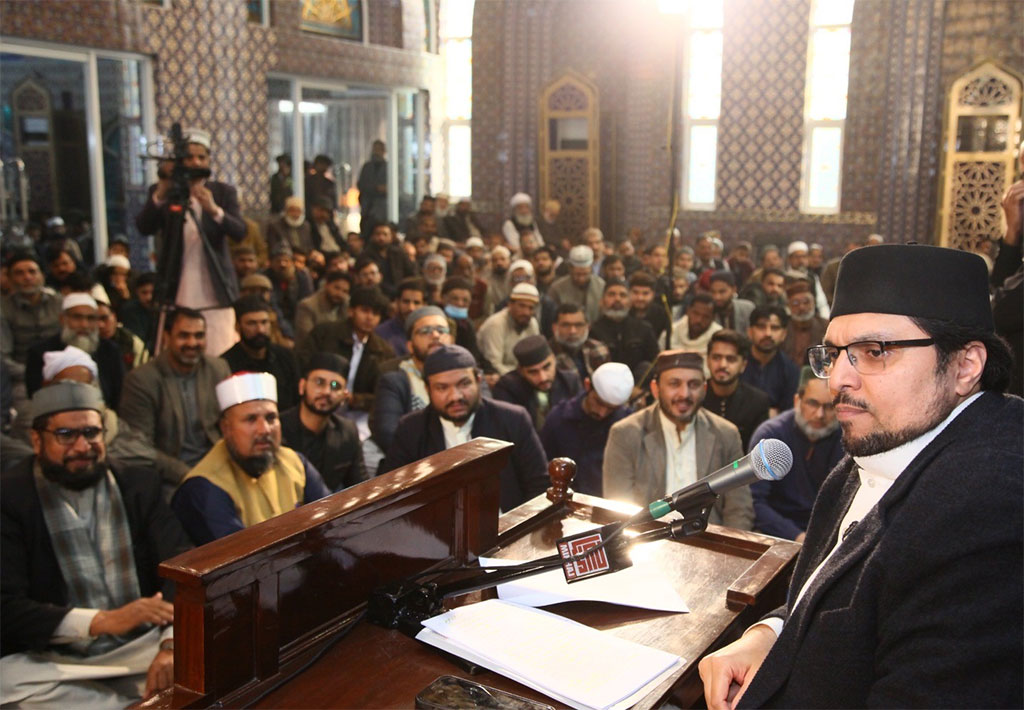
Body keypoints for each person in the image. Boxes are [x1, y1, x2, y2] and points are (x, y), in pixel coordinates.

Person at [699, 243, 1022, 709]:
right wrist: (770, 634)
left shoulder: (989, 512)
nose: (837, 380)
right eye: (834, 353)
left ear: (965, 366)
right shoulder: (881, 448)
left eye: (874, 351)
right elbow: (832, 597)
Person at [0, 382, 192, 707]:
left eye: (92, 432)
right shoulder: (11, 498)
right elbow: (7, 607)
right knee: (7, 679)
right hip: (58, 661)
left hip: (143, 644)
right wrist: (103, 621)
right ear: (36, 440)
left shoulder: (138, 484)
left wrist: (171, 646)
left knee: (217, 651)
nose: (82, 446)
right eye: (65, 435)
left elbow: (184, 564)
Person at [380, 345, 548, 511]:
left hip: (508, 528)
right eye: (442, 388)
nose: (455, 396)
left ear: (478, 380)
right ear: (427, 389)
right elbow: (392, 496)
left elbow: (539, 485)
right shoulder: (411, 429)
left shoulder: (513, 419)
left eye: (464, 384)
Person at [172, 372, 331, 545]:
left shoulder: (295, 462)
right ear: (226, 428)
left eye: (271, 418)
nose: (264, 430)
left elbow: (332, 521)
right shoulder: (205, 486)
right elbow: (240, 561)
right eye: (251, 419)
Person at [603, 350, 753, 529]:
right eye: (674, 384)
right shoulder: (626, 434)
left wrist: (730, 551)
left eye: (694, 384)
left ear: (704, 389)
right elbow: (619, 509)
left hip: (709, 542)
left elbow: (739, 508)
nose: (684, 394)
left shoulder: (726, 434)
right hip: (647, 542)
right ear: (655, 389)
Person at [135, 127, 246, 357]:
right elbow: (144, 227)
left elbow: (240, 232)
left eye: (201, 157)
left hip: (215, 289)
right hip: (176, 287)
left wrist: (214, 210)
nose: (195, 162)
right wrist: (162, 192)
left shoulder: (223, 192)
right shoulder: (165, 191)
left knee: (220, 356)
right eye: (189, 157)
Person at [119, 307, 230, 486]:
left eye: (199, 335)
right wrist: (188, 475)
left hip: (221, 467)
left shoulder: (218, 368)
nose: (192, 343)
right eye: (184, 336)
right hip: (170, 476)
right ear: (166, 337)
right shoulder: (142, 380)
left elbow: (231, 423)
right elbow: (138, 446)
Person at [748, 366, 843, 541]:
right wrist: (796, 536)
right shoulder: (771, 436)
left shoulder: (846, 439)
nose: (820, 414)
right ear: (797, 400)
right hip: (777, 535)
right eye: (812, 403)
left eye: (829, 406)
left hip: (827, 535)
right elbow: (755, 502)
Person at [370, 305, 455, 455]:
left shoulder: (468, 374)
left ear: (451, 340)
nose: (435, 335)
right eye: (425, 331)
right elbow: (388, 435)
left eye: (441, 330)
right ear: (410, 345)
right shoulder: (394, 381)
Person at [295, 286, 394, 413]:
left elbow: (381, 393)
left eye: (375, 313)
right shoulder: (325, 333)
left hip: (357, 412)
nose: (370, 317)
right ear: (351, 311)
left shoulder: (384, 351)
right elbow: (302, 364)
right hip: (316, 400)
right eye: (365, 311)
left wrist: (355, 399)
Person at [539, 362, 633, 496]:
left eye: (610, 409)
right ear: (587, 385)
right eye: (598, 402)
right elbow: (543, 470)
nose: (602, 412)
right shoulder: (559, 419)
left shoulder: (627, 424)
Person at [280, 353, 367, 492]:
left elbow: (362, 489)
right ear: (302, 386)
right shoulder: (278, 429)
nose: (327, 391)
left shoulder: (347, 432)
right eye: (319, 382)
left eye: (335, 386)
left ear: (345, 396)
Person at [25, 293, 126, 409]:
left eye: (91, 318)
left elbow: (119, 394)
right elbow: (35, 395)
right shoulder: (40, 352)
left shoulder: (110, 350)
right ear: (62, 319)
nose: (84, 325)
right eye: (77, 317)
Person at [220, 297, 301, 411]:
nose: (260, 330)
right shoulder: (225, 364)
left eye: (264, 322)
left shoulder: (285, 356)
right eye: (251, 323)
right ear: (238, 326)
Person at [491, 335, 581, 431]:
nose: (542, 378)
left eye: (546, 367)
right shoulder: (507, 388)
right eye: (533, 372)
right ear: (521, 371)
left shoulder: (569, 381)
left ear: (554, 359)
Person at [703, 330, 771, 450]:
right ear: (708, 361)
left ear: (743, 365)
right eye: (716, 358)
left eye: (730, 359)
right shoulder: (695, 397)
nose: (722, 365)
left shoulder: (757, 402)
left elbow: (758, 451)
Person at [1, 250, 62, 379]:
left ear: (42, 275)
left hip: (61, 370)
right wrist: (32, 373)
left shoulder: (59, 303)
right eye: (19, 273)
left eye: (32, 271)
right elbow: (3, 357)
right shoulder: (3, 309)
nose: (27, 277)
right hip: (21, 376)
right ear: (10, 279)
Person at [589, 278, 659, 379]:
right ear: (601, 301)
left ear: (630, 302)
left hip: (638, 388)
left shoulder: (644, 329)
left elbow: (654, 362)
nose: (617, 299)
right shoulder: (593, 330)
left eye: (623, 295)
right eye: (611, 294)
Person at [741, 304, 800, 415]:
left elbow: (788, 415)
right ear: (750, 332)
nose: (768, 333)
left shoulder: (790, 370)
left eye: (774, 328)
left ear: (784, 334)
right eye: (761, 327)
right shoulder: (737, 362)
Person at [476, 283, 541, 375]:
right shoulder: (496, 324)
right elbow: (494, 364)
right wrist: (524, 376)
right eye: (522, 306)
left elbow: (535, 357)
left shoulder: (532, 323)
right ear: (510, 305)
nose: (526, 312)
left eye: (531, 308)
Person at [548, 302, 611, 381]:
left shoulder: (599, 348)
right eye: (566, 325)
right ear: (554, 328)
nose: (572, 331)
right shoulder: (547, 354)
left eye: (578, 325)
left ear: (588, 327)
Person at [547, 245, 605, 325]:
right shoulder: (557, 288)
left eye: (585, 274)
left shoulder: (601, 286)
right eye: (577, 274)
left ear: (591, 268)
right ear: (570, 268)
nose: (581, 279)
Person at [264, 243, 314, 330]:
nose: (282, 264)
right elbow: (273, 306)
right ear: (271, 263)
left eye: (286, 261)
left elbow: (306, 301)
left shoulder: (302, 277)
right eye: (278, 261)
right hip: (277, 322)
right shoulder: (265, 277)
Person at [669, 293, 722, 374]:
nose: (699, 320)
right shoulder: (673, 331)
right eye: (696, 313)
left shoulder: (719, 338)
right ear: (688, 311)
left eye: (706, 317)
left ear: (713, 318)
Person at [374, 277, 427, 357]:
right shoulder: (381, 334)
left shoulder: (431, 334)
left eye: (416, 303)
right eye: (406, 302)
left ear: (424, 305)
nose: (411, 308)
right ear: (397, 302)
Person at [780, 279, 827, 366]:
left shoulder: (826, 326)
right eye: (795, 303)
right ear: (788, 306)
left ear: (814, 303)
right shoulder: (782, 329)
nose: (801, 307)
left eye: (806, 302)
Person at [357, 140, 388, 236]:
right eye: (375, 149)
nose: (377, 151)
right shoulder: (367, 167)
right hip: (367, 207)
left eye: (379, 149)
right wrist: (376, 188)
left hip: (382, 208)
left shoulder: (388, 167)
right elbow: (361, 184)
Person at [305, 154, 338, 222]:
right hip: (311, 217)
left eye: (325, 165)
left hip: (327, 216)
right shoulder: (308, 181)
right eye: (321, 164)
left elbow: (333, 200)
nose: (323, 167)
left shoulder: (329, 183)